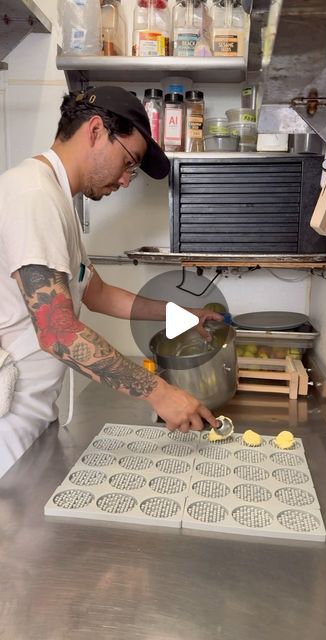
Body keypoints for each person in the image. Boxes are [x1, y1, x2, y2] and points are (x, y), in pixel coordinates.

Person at [0, 85, 221, 480]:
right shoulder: (33, 196)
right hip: (8, 429)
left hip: (31, 414)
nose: (126, 180)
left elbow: (95, 291)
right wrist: (162, 394)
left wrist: (181, 315)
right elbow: (59, 333)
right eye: (129, 162)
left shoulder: (55, 198)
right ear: (97, 131)